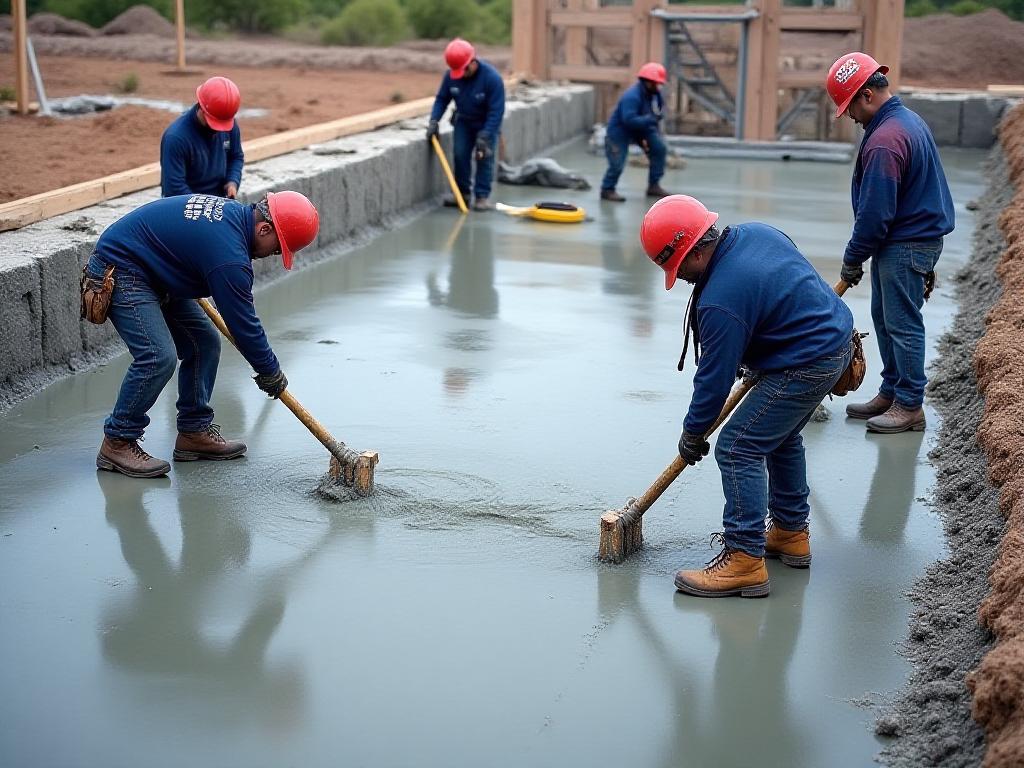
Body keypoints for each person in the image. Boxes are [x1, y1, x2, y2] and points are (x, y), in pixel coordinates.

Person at [641, 195, 854, 598]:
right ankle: (791, 533)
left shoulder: (720, 299)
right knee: (779, 435)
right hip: (832, 344)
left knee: (738, 446)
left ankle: (743, 560)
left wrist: (693, 432)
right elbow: (784, 289)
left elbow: (714, 378)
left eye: (676, 268)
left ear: (692, 253)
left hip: (806, 362)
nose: (679, 278)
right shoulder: (757, 233)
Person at [87, 191, 320, 478]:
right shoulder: (230, 258)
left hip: (157, 269)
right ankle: (118, 440)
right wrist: (270, 371)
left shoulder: (235, 219)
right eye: (276, 249)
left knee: (204, 343)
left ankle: (193, 432)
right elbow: (243, 325)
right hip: (123, 268)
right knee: (157, 356)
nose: (271, 255)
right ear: (264, 228)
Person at [827, 52, 955, 433]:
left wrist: (853, 258)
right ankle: (893, 390)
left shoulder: (886, 139)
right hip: (905, 240)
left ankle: (910, 405)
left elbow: (875, 213)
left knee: (902, 324)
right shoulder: (905, 120)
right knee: (886, 319)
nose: (849, 115)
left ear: (866, 94)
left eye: (850, 106)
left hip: (907, 243)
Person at [425, 38, 506, 211]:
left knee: (484, 157)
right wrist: (434, 120)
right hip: (464, 121)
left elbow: (496, 111)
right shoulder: (451, 77)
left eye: (464, 70)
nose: (461, 74)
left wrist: (485, 135)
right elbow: (442, 99)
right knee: (460, 155)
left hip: (486, 124)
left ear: (473, 61)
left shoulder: (492, 79)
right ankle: (462, 194)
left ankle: (482, 197)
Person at [161, 76, 245, 200]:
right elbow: (174, 188)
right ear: (201, 107)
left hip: (218, 200)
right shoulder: (176, 138)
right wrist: (206, 205)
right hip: (184, 206)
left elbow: (236, 156)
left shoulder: (226, 122)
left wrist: (232, 181)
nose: (219, 130)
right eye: (215, 123)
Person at [600, 62, 672, 203]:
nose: (658, 86)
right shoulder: (632, 96)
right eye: (656, 83)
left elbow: (658, 111)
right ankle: (607, 189)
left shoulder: (654, 95)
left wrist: (654, 132)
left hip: (642, 128)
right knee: (617, 162)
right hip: (620, 130)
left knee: (659, 148)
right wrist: (651, 119)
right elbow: (629, 119)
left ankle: (653, 185)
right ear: (648, 82)